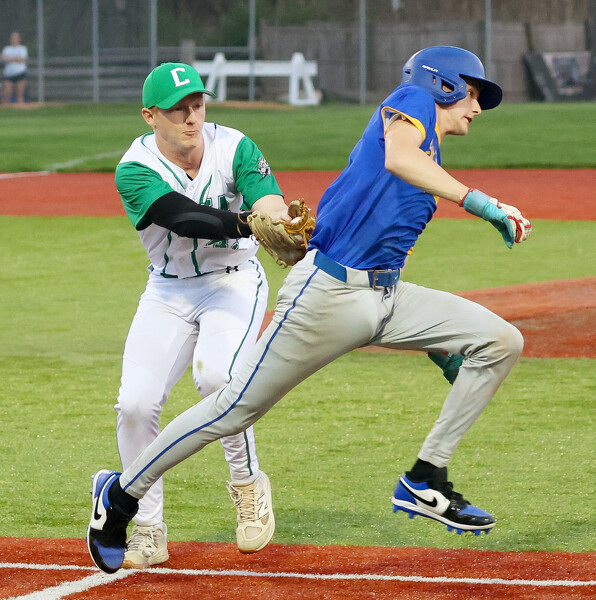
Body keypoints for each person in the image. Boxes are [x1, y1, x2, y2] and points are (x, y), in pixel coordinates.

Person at [86, 46, 532, 574]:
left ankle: (425, 478)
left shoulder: (427, 166)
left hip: (385, 296)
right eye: (472, 93)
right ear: (443, 84)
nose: (477, 107)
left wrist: (435, 341)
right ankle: (122, 496)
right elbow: (398, 156)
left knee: (502, 341)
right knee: (233, 407)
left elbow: (385, 243)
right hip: (327, 295)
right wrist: (482, 203)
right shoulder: (411, 102)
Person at [111, 62, 292, 568]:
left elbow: (269, 201)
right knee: (135, 404)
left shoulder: (235, 146)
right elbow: (182, 217)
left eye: (197, 104)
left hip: (234, 280)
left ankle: (248, 486)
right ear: (150, 116)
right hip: (167, 289)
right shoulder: (134, 168)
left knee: (218, 377)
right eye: (177, 110)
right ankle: (148, 528)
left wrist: (278, 220)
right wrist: (247, 221)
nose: (192, 117)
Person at [2, 32, 28, 104]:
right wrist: (15, 59)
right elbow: (4, 58)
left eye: (16, 38)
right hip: (9, 74)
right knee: (7, 95)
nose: (14, 39)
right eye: (13, 38)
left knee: (20, 96)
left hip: (20, 73)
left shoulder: (23, 48)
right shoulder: (6, 49)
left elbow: (22, 59)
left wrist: (10, 59)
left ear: (19, 39)